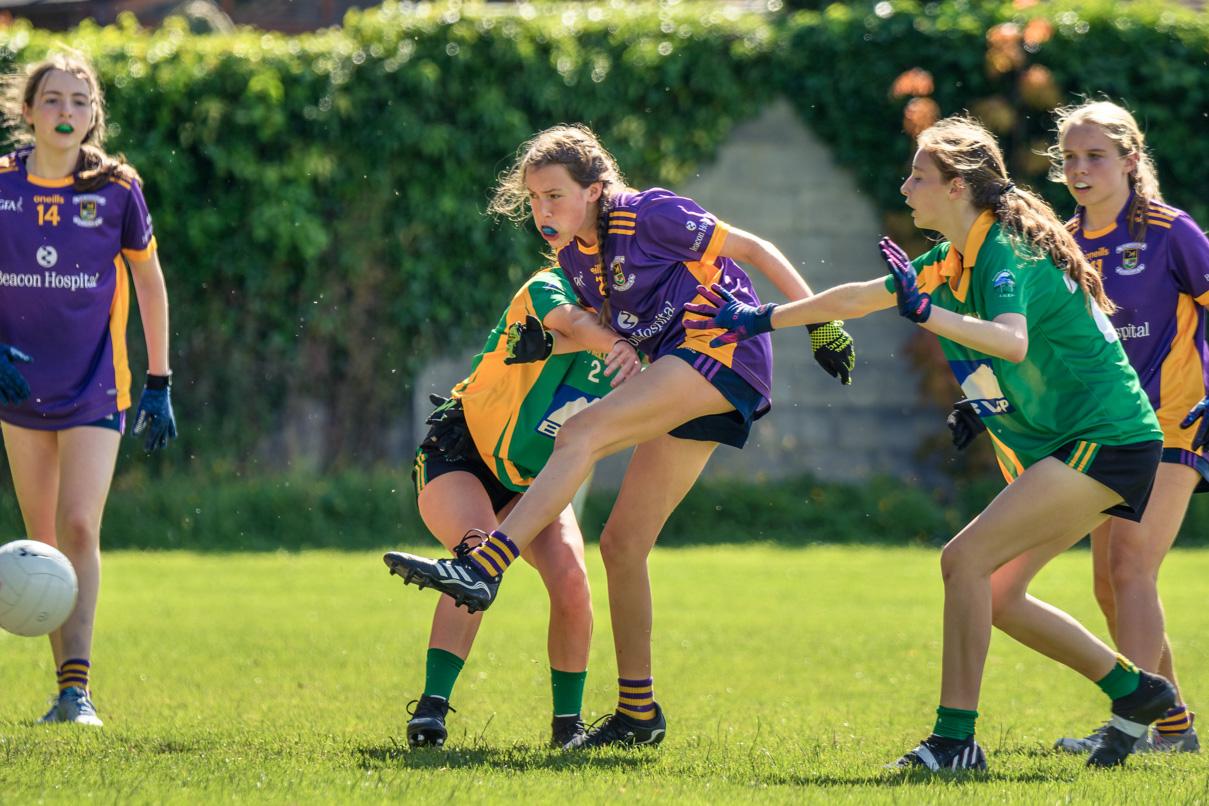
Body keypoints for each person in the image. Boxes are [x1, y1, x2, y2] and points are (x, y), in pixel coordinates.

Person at [684, 115, 1175, 770]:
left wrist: (925, 313)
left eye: (918, 175)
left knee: (962, 560)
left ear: (956, 187)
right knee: (996, 592)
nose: (905, 185)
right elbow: (860, 297)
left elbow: (1010, 339)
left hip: (1104, 438)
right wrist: (758, 318)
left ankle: (953, 741)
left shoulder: (1001, 247)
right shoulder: (956, 254)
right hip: (1092, 439)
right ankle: (1137, 692)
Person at [384, 123, 854, 749]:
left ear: (595, 189)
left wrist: (820, 324)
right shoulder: (574, 258)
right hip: (680, 372)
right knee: (622, 545)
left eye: (555, 195)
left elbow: (758, 250)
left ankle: (486, 565)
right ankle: (638, 714)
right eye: (532, 199)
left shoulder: (649, 213)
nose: (541, 211)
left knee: (580, 434)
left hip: (717, 351)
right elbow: (583, 325)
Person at [385, 265, 641, 749]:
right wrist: (618, 346)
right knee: (479, 561)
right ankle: (431, 710)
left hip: (533, 479)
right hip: (461, 454)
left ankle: (569, 728)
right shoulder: (553, 285)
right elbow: (573, 323)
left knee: (571, 576)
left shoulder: (644, 321)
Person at [0, 54, 177, 726]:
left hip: (97, 387)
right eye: (51, 100)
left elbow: (151, 286)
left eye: (79, 100)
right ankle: (60, 689)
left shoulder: (118, 188)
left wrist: (159, 381)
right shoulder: (0, 186)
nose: (65, 112)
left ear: (93, 114)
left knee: (78, 525)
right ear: (27, 112)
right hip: (17, 388)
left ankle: (78, 691)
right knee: (40, 541)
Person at [1043, 100, 1208, 755]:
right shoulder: (1059, 240)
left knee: (1129, 564)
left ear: (1130, 160)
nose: (1080, 170)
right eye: (1069, 158)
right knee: (1108, 585)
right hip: (1109, 428)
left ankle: (1128, 728)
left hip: (1174, 422)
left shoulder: (1171, 232)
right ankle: (1171, 729)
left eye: (1095, 156)